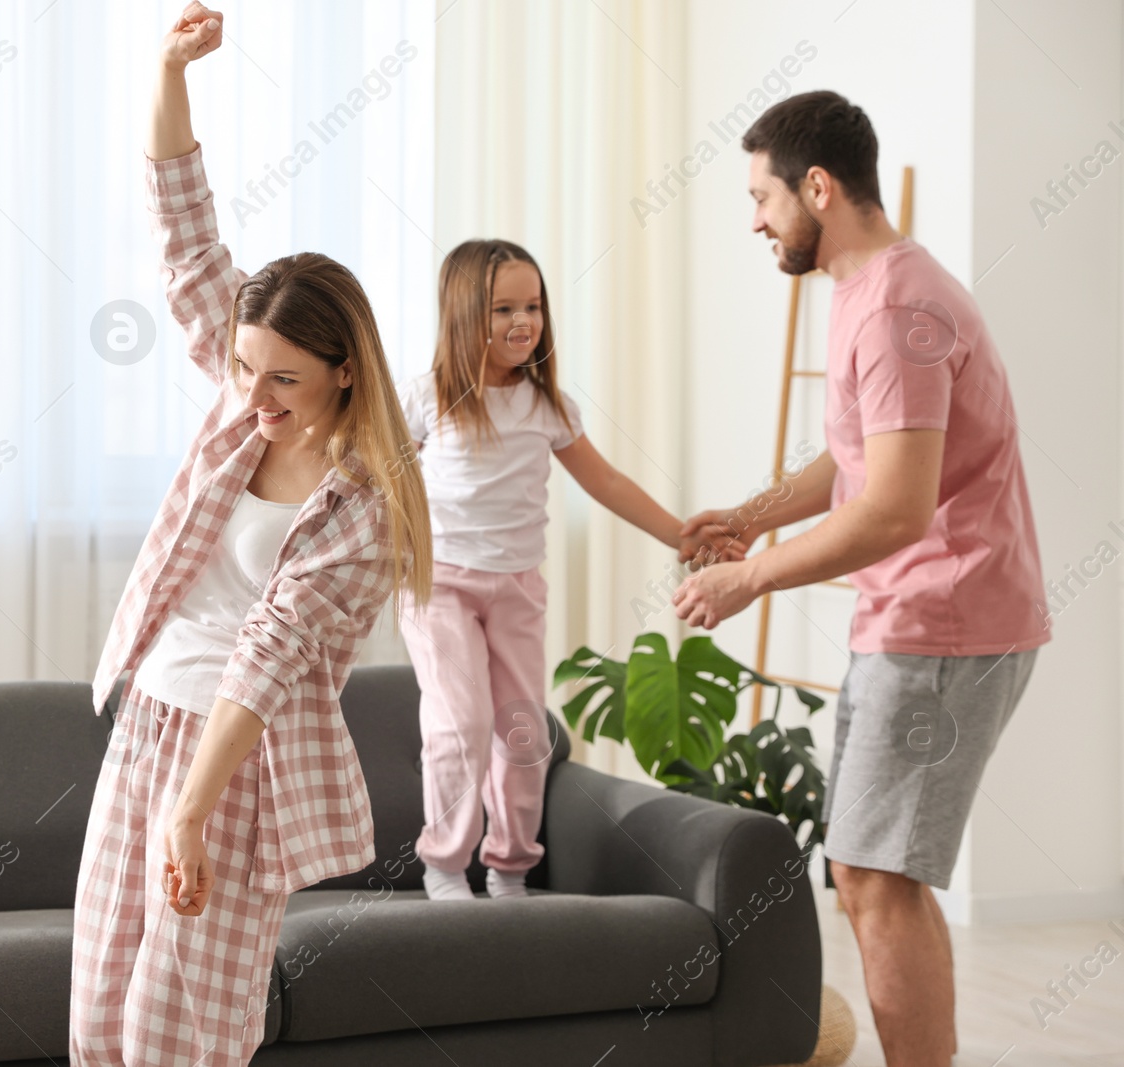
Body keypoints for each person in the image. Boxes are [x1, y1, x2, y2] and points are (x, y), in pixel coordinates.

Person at [68, 5, 433, 1063]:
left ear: (343, 368)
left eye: (282, 378)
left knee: (175, 1032)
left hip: (232, 760)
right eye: (241, 368)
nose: (253, 396)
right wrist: (170, 70)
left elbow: (268, 655)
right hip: (147, 720)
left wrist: (189, 808)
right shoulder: (241, 405)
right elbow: (185, 235)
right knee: (99, 1018)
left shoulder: (363, 504)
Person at [673, 91, 1047, 1067]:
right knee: (874, 869)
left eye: (762, 196)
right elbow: (857, 462)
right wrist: (751, 516)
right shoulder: (867, 290)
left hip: (946, 615)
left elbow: (893, 509)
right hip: (920, 614)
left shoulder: (896, 309)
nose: (754, 219)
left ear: (818, 187)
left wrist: (750, 578)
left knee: (876, 877)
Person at [398, 239, 742, 901]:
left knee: (523, 732)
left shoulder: (545, 405)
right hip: (439, 586)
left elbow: (606, 481)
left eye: (533, 306)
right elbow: (372, 482)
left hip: (517, 588)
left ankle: (510, 868)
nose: (523, 321)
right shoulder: (426, 398)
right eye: (503, 309)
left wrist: (680, 533)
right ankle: (444, 866)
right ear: (464, 313)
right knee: (461, 721)